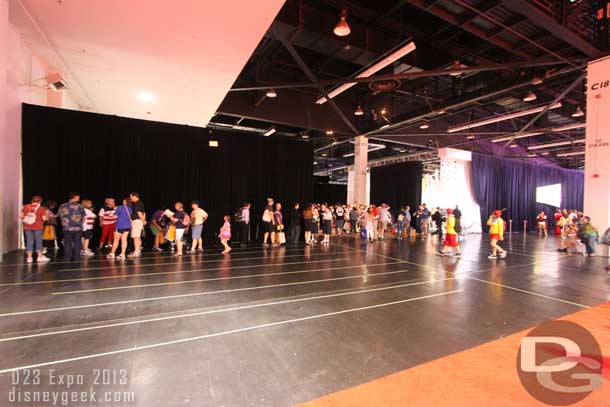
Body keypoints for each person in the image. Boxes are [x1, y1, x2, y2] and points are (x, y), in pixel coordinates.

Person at [20, 195, 49, 263]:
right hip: (38, 227)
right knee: (38, 241)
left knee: (29, 241)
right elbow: (44, 218)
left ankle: (29, 258)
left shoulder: (25, 207)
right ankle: (39, 256)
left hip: (27, 227)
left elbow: (21, 216)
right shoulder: (41, 208)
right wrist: (47, 218)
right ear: (40, 201)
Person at [58, 193, 86, 262]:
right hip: (77, 227)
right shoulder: (79, 206)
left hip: (66, 227)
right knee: (77, 242)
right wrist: (80, 223)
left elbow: (59, 215)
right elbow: (84, 217)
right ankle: (77, 257)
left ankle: (67, 257)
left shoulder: (62, 205)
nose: (79, 198)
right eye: (78, 196)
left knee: (67, 242)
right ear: (74, 197)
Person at [128, 192, 146, 258]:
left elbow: (139, 213)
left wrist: (143, 221)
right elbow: (144, 212)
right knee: (138, 237)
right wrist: (143, 220)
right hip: (139, 221)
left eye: (131, 196)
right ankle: (138, 251)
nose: (130, 198)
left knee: (135, 237)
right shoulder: (140, 203)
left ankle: (136, 252)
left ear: (134, 196)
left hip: (137, 221)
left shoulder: (137, 203)